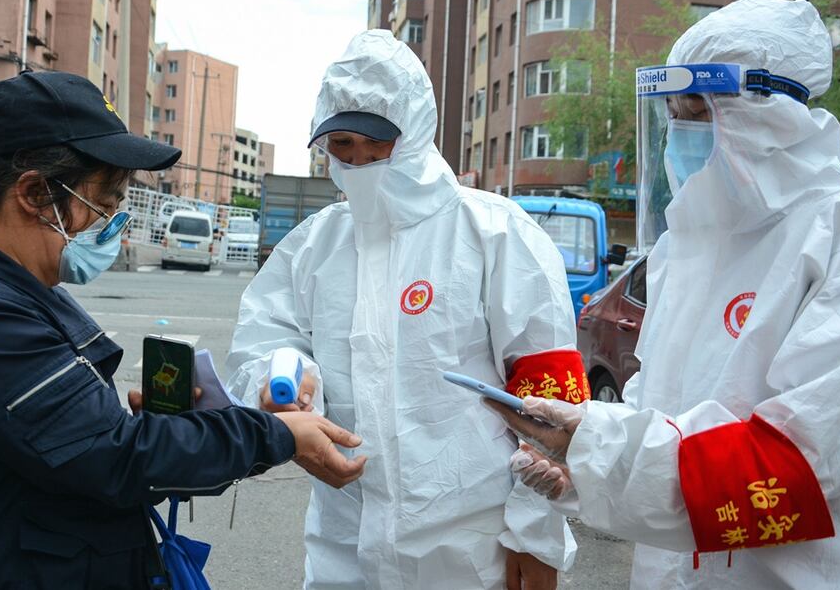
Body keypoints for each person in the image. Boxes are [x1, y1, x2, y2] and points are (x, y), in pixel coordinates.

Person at [487, 0, 840, 588]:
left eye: (698, 111)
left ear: (769, 111)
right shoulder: (684, 253)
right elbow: (663, 418)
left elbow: (803, 462)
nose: (681, 133)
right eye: (672, 115)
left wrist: (598, 448)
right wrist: (585, 469)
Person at [0, 71, 366, 589]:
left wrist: (169, 427)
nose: (113, 224)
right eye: (105, 205)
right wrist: (275, 435)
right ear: (34, 193)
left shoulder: (13, 298)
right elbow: (114, 456)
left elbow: (76, 449)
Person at [225, 30, 588, 589]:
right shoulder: (313, 247)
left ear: (416, 130)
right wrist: (285, 382)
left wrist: (537, 537)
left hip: (472, 549)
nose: (358, 159)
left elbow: (551, 403)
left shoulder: (495, 233)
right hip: (345, 544)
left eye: (376, 142)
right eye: (341, 144)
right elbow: (267, 339)